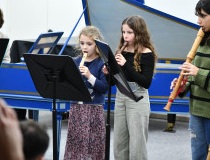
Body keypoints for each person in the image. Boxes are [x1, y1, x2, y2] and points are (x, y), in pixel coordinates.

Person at [170, 0, 210, 160]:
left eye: (203, 16)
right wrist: (184, 85)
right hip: (196, 110)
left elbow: (202, 74)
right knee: (198, 156)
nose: (198, 21)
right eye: (197, 16)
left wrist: (197, 73)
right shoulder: (202, 40)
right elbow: (195, 76)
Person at [111, 15, 157, 160]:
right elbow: (114, 81)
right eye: (123, 32)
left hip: (138, 98)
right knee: (119, 143)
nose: (125, 36)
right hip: (121, 96)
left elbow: (146, 82)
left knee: (137, 145)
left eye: (129, 32)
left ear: (139, 32)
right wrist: (109, 72)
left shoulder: (147, 53)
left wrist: (126, 64)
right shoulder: (122, 50)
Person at [63, 26, 108, 160]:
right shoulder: (76, 62)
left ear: (97, 44)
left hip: (94, 108)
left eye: (89, 44)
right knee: (76, 142)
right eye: (82, 43)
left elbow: (104, 88)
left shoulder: (101, 63)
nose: (85, 47)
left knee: (93, 143)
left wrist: (89, 76)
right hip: (77, 107)